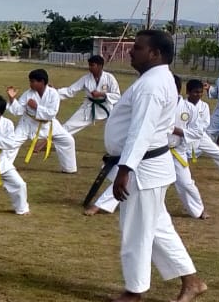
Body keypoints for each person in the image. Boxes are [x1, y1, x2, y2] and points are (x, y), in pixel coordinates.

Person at [103, 29, 207, 302]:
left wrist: (124, 169)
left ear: (155, 54)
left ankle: (134, 291)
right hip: (151, 167)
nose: (130, 51)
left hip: (143, 169)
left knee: (136, 231)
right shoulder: (156, 80)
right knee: (159, 228)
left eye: (136, 47)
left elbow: (141, 131)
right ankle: (192, 281)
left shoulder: (151, 85)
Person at [86, 75, 205, 220]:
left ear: (176, 90)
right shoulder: (156, 104)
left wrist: (176, 131)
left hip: (177, 151)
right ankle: (101, 205)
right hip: (154, 150)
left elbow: (197, 132)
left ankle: (198, 210)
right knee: (129, 175)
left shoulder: (189, 109)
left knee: (186, 183)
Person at [6, 69, 78, 173]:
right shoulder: (28, 94)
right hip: (28, 123)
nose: (30, 84)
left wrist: (36, 107)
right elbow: (18, 111)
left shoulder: (53, 94)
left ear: (42, 82)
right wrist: (12, 99)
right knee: (12, 143)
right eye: (30, 81)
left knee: (68, 140)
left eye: (33, 81)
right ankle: (4, 167)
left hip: (48, 124)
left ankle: (69, 169)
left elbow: (51, 113)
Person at [57, 54, 121, 134]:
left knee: (116, 132)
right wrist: (53, 92)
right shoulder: (86, 79)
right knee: (68, 126)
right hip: (89, 107)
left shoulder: (109, 78)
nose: (90, 68)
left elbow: (117, 96)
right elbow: (70, 91)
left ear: (100, 66)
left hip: (106, 107)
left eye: (92, 65)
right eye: (89, 65)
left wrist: (101, 94)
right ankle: (48, 142)